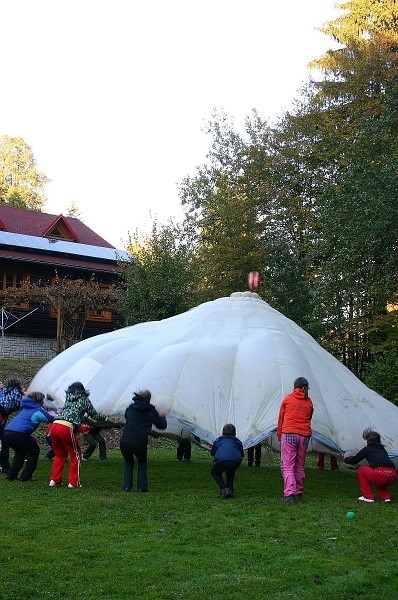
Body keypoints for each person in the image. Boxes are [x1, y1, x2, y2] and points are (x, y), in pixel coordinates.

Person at [49, 382, 108, 488]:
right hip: (65, 427)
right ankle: (73, 482)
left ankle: (54, 480)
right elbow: (94, 415)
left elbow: (73, 414)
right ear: (83, 390)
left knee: (60, 454)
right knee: (75, 454)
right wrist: (104, 416)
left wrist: (83, 420)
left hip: (55, 425)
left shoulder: (68, 398)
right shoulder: (84, 399)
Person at [120, 390, 167, 492]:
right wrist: (162, 417)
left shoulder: (130, 408)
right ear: (149, 399)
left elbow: (127, 417)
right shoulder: (150, 411)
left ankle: (126, 486)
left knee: (128, 462)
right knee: (141, 462)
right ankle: (141, 487)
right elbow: (162, 426)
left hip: (125, 440)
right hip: (139, 441)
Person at [277, 376, 314, 503]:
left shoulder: (288, 399)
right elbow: (309, 417)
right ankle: (298, 492)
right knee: (299, 466)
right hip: (304, 436)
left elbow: (281, 417)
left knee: (288, 466)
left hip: (289, 434)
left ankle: (290, 494)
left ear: (295, 387)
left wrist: (279, 434)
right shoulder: (309, 402)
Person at [5, 391, 55, 482]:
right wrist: (58, 413)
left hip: (8, 432)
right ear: (40, 400)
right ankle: (26, 476)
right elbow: (51, 419)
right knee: (34, 450)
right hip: (19, 433)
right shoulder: (37, 410)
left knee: (20, 453)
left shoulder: (26, 407)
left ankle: (11, 475)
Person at [344, 428, 397, 503]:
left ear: (368, 440)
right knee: (376, 476)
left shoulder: (367, 449)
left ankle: (368, 497)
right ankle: (386, 497)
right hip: (393, 475)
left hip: (380, 474)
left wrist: (346, 458)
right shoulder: (383, 450)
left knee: (362, 470)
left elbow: (354, 460)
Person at [210, 423, 244, 499]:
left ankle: (224, 488)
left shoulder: (218, 440)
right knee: (230, 472)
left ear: (222, 432)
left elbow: (213, 452)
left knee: (214, 472)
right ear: (235, 433)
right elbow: (242, 454)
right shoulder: (238, 441)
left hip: (221, 461)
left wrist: (215, 458)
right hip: (235, 462)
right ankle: (230, 490)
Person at [0, 378, 25, 474]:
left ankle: (5, 467)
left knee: (4, 442)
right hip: (1, 414)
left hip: (2, 414)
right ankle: (5, 467)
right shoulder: (16, 392)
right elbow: (19, 405)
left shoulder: (6, 390)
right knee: (4, 443)